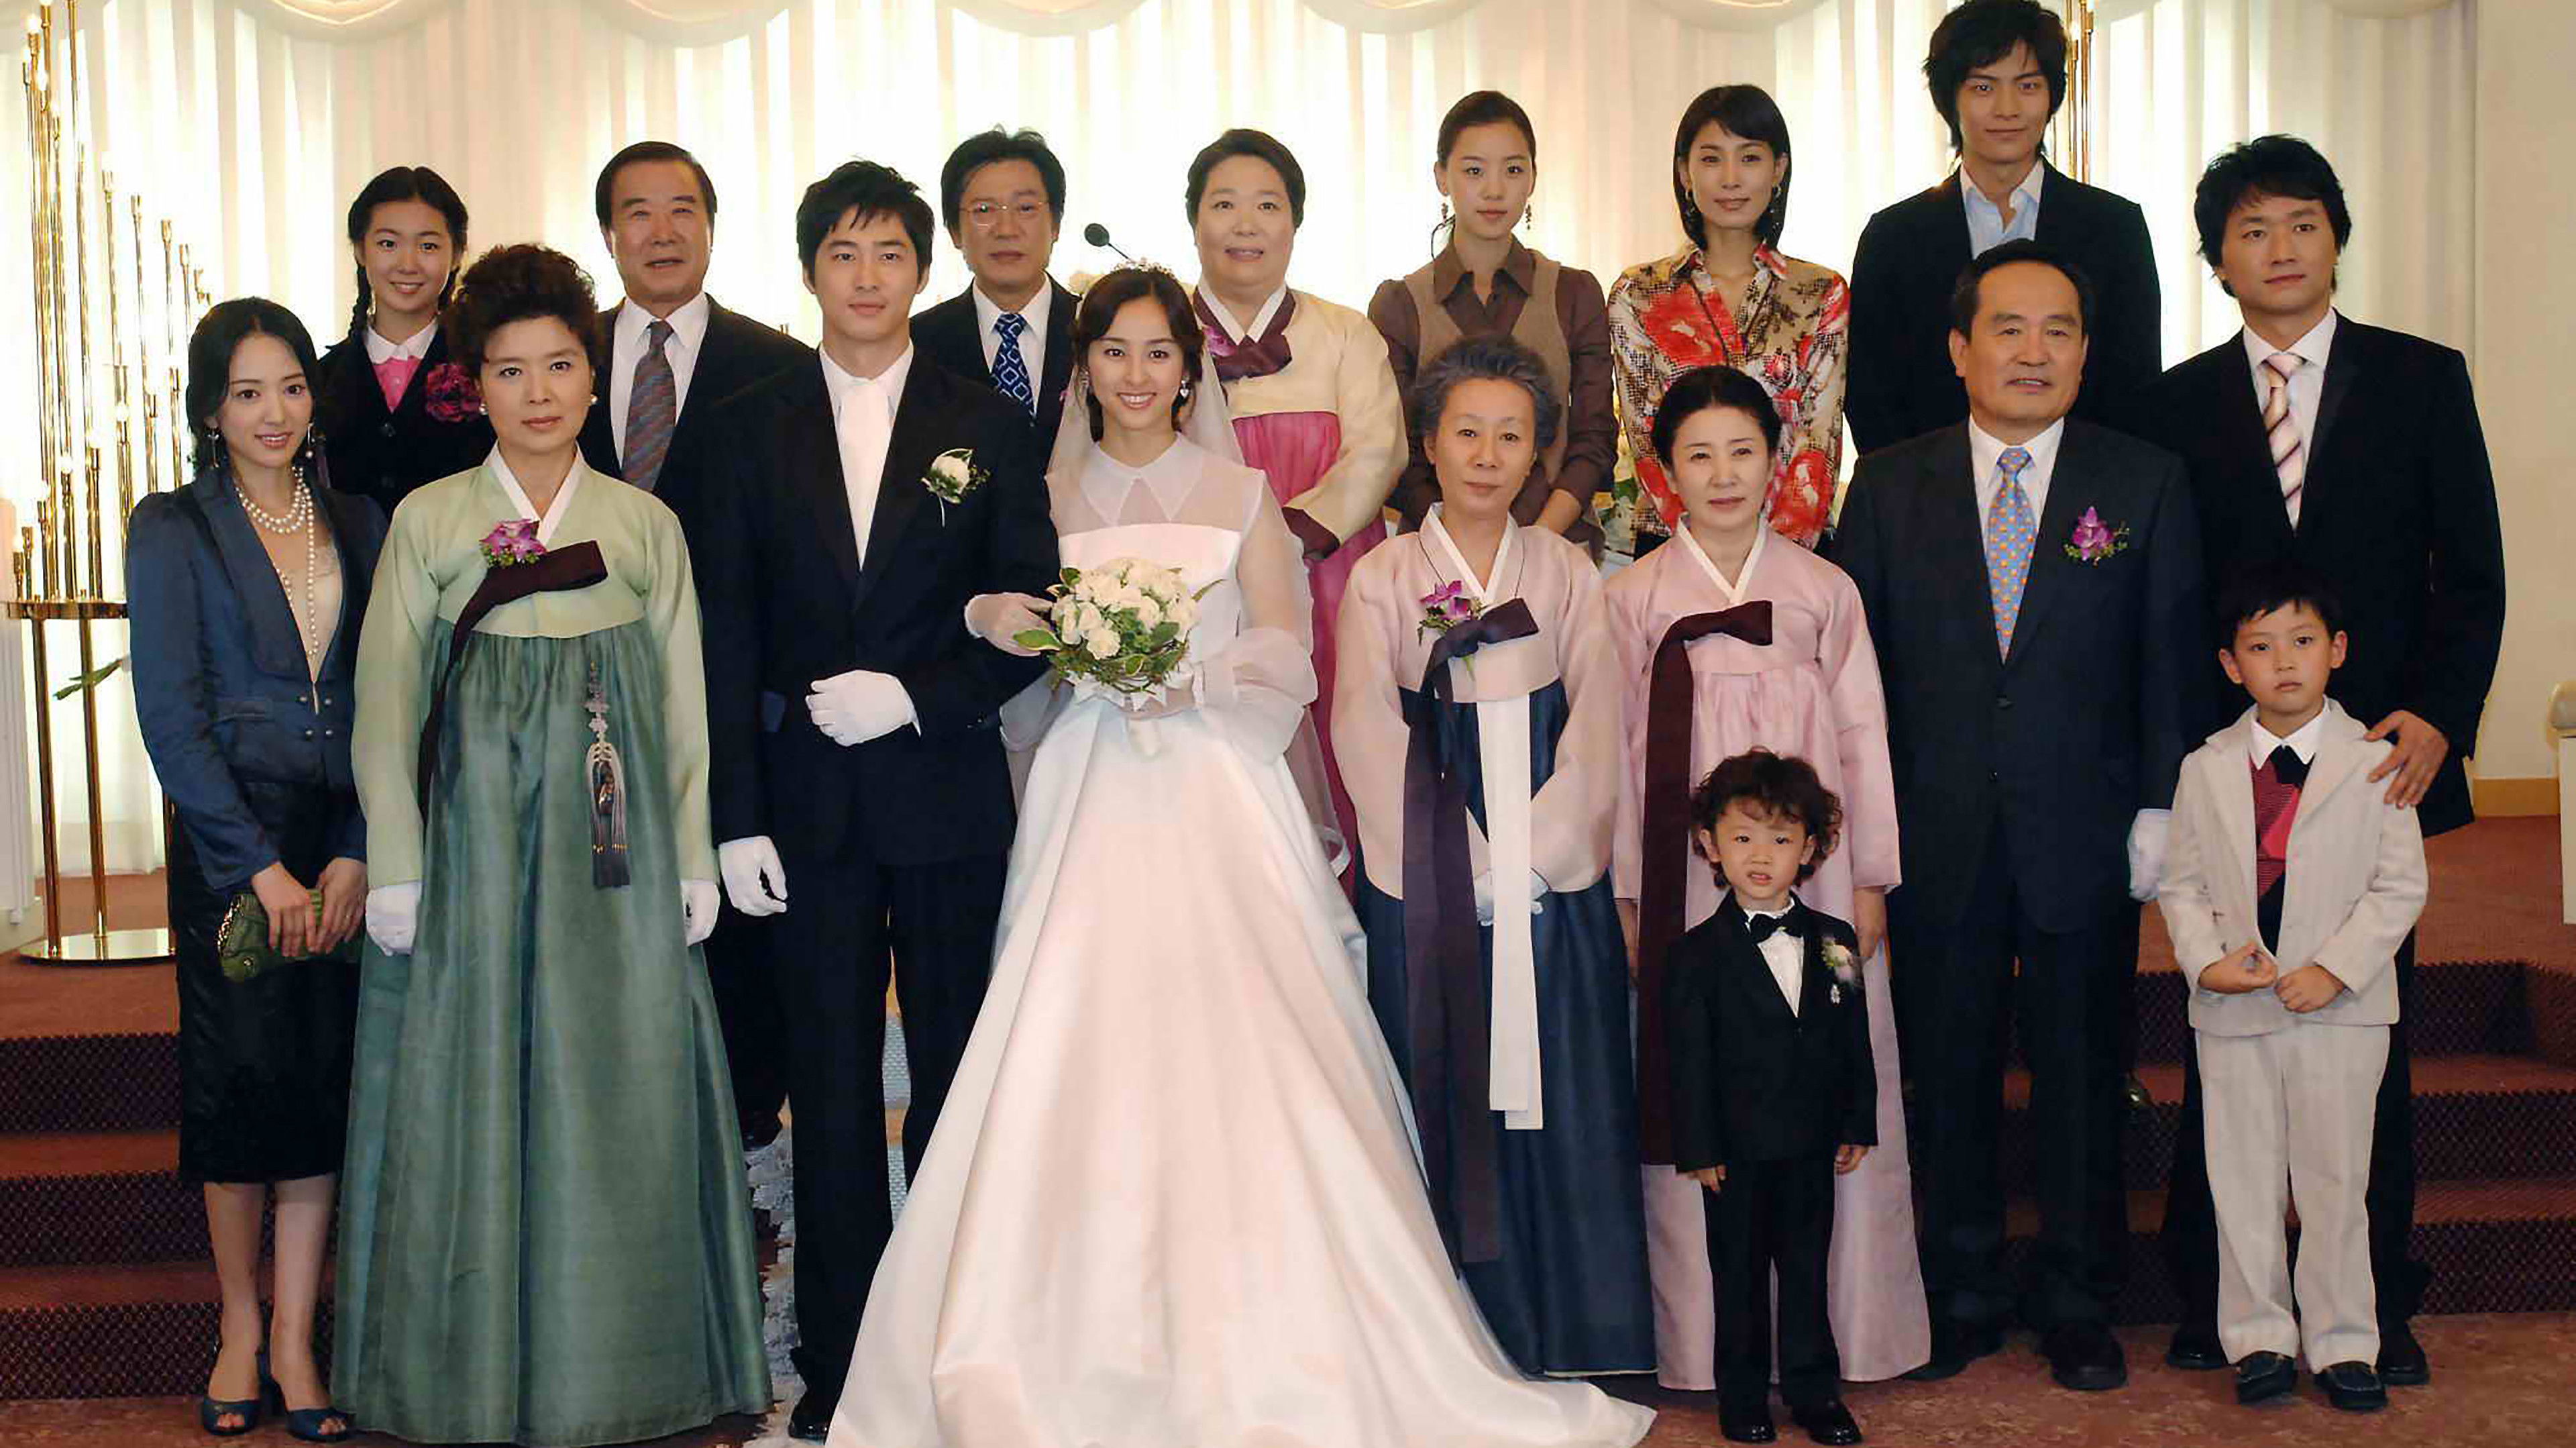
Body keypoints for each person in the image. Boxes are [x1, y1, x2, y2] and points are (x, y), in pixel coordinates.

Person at [830, 264, 1652, 1448]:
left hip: (1215, 779)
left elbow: (1284, 652)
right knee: (1071, 1031)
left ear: (1189, 370)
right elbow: (988, 614)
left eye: (1160, 351)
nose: (1136, 373)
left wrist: (1187, 678)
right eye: (1114, 350)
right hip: (1087, 785)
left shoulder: (1240, 491)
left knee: (1251, 1035)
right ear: (1084, 367)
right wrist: (999, 620)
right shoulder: (1041, 488)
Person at [337, 243, 767, 1447]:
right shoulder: (432, 520)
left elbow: (684, 700)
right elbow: (387, 703)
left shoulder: (643, 524)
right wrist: (400, 860)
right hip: (471, 853)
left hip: (613, 855)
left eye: (562, 365)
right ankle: (461, 1372)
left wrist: (693, 851)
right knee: (466, 1082)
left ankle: (624, 1368)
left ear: (592, 375)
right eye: (511, 370)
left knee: (617, 1077)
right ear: (475, 384)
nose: (538, 392)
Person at [688, 160, 1058, 1442]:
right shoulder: (746, 424)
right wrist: (734, 815)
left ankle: (953, 1345)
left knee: (955, 1078)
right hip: (804, 810)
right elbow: (723, 633)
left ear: (923, 268)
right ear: (808, 272)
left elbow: (1034, 609)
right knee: (831, 1087)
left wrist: (917, 694)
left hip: (946, 796)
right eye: (842, 253)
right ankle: (843, 1362)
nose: (865, 276)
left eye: (890, 253)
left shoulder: (984, 421)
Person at [2140, 136, 2507, 1384]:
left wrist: (2440, 713)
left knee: (2366, 1038)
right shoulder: (2178, 402)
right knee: (2227, 1024)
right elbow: (2163, 591)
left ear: (2336, 236)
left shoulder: (2422, 377)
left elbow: (2472, 570)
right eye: (2251, 230)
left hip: (2376, 762)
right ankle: (2221, 1298)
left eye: (2302, 222)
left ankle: (2375, 1303)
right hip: (2231, 762)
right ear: (2218, 260)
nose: (2280, 248)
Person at [1829, 240, 2201, 1392]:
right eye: (2008, 328)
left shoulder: (2142, 480)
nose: (2033, 352)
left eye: (2058, 331)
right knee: (1949, 1069)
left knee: (2085, 1069)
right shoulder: (1889, 483)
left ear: (2086, 354)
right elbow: (1857, 679)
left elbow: (2170, 658)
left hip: (2084, 827)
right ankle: (1962, 1286)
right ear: (1959, 349)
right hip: (1935, 828)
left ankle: (2080, 1295)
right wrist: (1868, 833)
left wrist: (2161, 807)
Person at [1332, 335, 1654, 1380]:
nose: (1486, 454)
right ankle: (1460, 1336)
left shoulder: (1566, 571)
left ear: (1539, 452)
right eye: (1465, 431)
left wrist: (1539, 857)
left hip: (1552, 873)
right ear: (1427, 443)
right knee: (1447, 1077)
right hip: (1430, 861)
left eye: (1510, 436)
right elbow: (1364, 726)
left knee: (1566, 1079)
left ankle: (1581, 1328)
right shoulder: (1384, 577)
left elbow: (1600, 723)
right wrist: (1458, 868)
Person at [1605, 364, 1927, 1390]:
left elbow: (1864, 736)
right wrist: (1630, 891)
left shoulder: (1826, 591)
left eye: (1743, 450)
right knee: (1705, 1069)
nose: (1723, 474)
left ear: (1780, 462)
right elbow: (1614, 753)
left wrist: (1868, 876)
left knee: (1824, 1065)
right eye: (1697, 455)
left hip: (1813, 878)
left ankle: (1844, 1336)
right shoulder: (1632, 598)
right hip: (1689, 881)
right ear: (1663, 474)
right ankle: (1711, 1347)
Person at [129, 298, 384, 1444]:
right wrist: (257, 870)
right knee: (241, 1086)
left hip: (337, 835)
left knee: (320, 1084)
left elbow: (391, 698)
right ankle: (238, 1324)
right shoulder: (174, 526)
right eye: (246, 392)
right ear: (210, 410)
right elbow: (171, 716)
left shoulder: (360, 518)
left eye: (288, 386)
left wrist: (358, 846)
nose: (273, 411)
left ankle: (294, 1338)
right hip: (232, 837)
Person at [575, 138, 813, 1149]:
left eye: (683, 210)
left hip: (731, 700)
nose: (662, 231)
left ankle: (747, 1160)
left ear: (713, 227)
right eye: (638, 211)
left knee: (738, 951)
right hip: (579, 692)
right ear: (608, 234)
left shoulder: (782, 366)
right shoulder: (560, 357)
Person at [2155, 562, 2427, 1412]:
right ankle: (2259, 1338)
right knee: (2243, 1180)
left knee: (2335, 1179)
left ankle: (2346, 1340)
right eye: (2261, 646)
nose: (2284, 662)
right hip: (2234, 1007)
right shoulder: (2206, 767)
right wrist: (2207, 960)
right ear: (2231, 664)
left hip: (2342, 1009)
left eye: (2303, 641)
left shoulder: (2376, 763)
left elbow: (2399, 887)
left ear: (2337, 650)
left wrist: (2334, 968)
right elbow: (2182, 883)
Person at [1188, 126, 1405, 849]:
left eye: (1268, 205)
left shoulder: (1346, 333)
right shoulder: (1156, 338)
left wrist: (1283, 544)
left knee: (1345, 752)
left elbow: (1378, 450)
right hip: (1201, 593)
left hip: (1330, 581)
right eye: (1224, 204)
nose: (1246, 225)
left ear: (1295, 222)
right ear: (1194, 221)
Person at [1666, 750, 1875, 1447]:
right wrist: (1698, 1147)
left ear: (1809, 849)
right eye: (1743, 837)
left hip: (1813, 1142)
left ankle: (1816, 1393)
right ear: (1710, 845)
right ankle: (1743, 1395)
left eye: (1781, 838)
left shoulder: (1835, 941)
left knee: (1809, 1272)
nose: (1761, 855)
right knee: (1739, 1277)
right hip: (1734, 1152)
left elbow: (1853, 1037)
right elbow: (1687, 1061)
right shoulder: (1694, 954)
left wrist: (1857, 1120)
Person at [1846, 0, 2160, 453]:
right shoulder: (1893, 236)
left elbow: (2134, 383)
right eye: (1983, 87)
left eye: (2028, 85)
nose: (2007, 109)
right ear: (1949, 98)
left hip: (2084, 486)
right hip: (1929, 484)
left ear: (2052, 96)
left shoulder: (2115, 227)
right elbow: (1871, 392)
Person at [1368, 90, 1613, 552]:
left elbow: (1594, 437)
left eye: (1513, 170)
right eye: (1474, 171)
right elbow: (1396, 449)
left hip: (1556, 544)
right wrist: (1462, 546)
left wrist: (1538, 542)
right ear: (1442, 177)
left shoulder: (1574, 293)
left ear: (1533, 178)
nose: (1495, 190)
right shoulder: (1399, 305)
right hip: (1437, 554)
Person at [1608, 85, 1849, 550]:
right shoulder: (1639, 293)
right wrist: (1706, 556)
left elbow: (1819, 441)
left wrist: (1773, 557)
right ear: (1685, 172)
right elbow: (1647, 442)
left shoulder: (1820, 292)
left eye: (1750, 158)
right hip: (1674, 547)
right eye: (1712, 159)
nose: (1731, 179)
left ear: (1778, 169)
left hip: (1794, 552)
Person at [315, 166, 492, 517]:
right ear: (360, 250)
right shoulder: (321, 378)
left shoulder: (486, 367)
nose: (408, 264)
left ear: (457, 255)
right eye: (388, 244)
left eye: (428, 246)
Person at [912, 126, 1079, 442]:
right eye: (983, 210)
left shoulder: (1098, 329)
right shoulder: (916, 344)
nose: (1006, 230)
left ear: (1056, 224)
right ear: (955, 232)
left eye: (1026, 208)